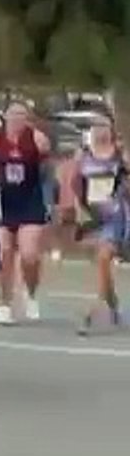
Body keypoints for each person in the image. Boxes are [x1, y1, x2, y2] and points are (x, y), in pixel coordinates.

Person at [0, 100, 51, 324]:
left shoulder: (37, 139)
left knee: (29, 254)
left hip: (30, 201)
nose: (17, 119)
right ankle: (4, 305)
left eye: (22, 115)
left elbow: (47, 173)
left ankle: (31, 294)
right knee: (4, 252)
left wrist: (51, 202)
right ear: (4, 117)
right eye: (13, 115)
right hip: (4, 202)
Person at [68, 109, 128, 335]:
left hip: (117, 217)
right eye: (96, 126)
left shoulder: (120, 154)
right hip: (93, 218)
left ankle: (90, 315)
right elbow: (73, 185)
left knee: (104, 259)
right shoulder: (83, 155)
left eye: (104, 126)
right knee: (103, 268)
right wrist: (76, 212)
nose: (100, 130)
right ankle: (113, 306)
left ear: (111, 130)